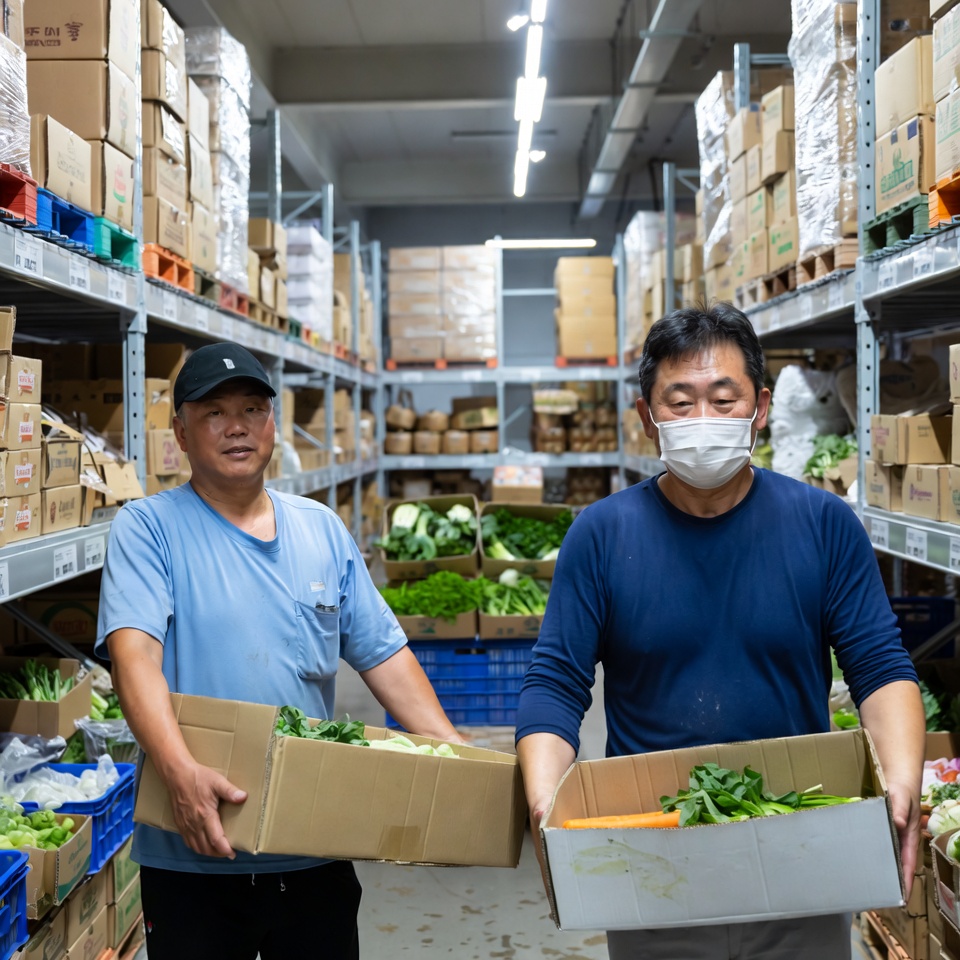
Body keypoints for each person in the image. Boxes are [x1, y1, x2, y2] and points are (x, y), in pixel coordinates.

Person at [515, 303, 924, 960]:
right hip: (654, 854)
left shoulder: (823, 524)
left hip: (799, 847)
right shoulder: (601, 534)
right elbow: (556, 683)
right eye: (680, 402)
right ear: (647, 416)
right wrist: (544, 801)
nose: (702, 418)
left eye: (724, 399)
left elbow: (880, 666)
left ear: (760, 408)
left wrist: (901, 781)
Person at [95, 342, 464, 960]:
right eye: (214, 413)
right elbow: (135, 663)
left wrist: (454, 755)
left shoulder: (320, 528)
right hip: (196, 851)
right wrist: (180, 774)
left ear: (272, 423)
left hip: (313, 841)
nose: (237, 426)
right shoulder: (148, 529)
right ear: (181, 433)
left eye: (252, 409)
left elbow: (384, 656)